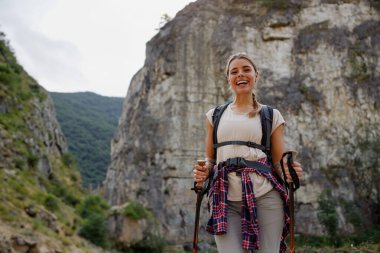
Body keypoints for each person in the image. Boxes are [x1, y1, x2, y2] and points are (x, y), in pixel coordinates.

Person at [193, 52, 303, 253]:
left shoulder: (271, 115)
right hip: (224, 199)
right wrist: (204, 171)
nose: (240, 75)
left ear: (256, 75)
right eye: (234, 72)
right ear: (228, 79)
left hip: (266, 197)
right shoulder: (214, 115)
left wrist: (289, 171)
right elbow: (211, 159)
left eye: (246, 69)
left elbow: (278, 164)